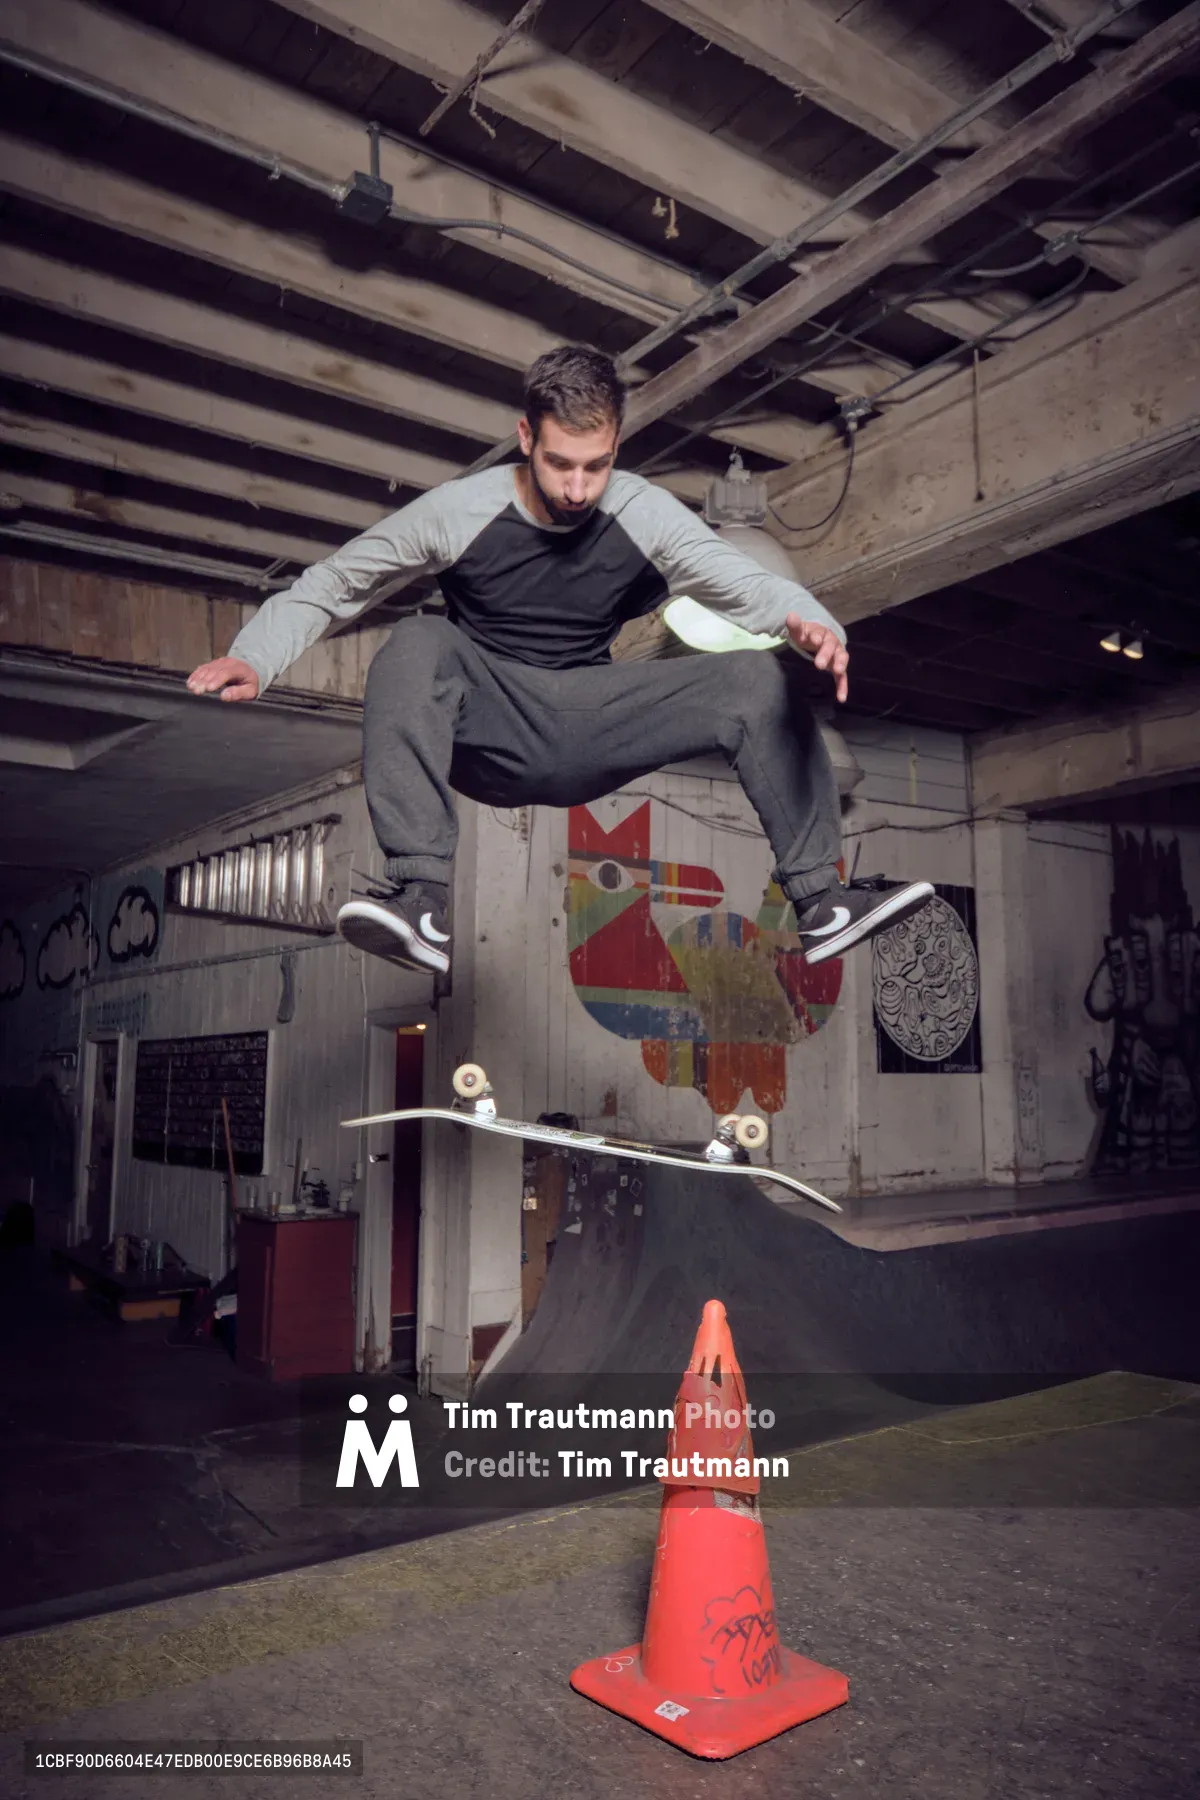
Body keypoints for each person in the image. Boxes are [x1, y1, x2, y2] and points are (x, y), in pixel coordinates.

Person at [188, 346, 932, 976]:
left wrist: (810, 623)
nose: (578, 489)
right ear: (525, 437)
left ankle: (821, 902)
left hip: (591, 720)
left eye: (597, 466)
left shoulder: (642, 513)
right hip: (490, 726)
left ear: (617, 446)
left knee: (752, 677)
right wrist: (257, 654)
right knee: (416, 643)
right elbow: (337, 581)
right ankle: (421, 900)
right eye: (560, 464)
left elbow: (741, 582)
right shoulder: (458, 512)